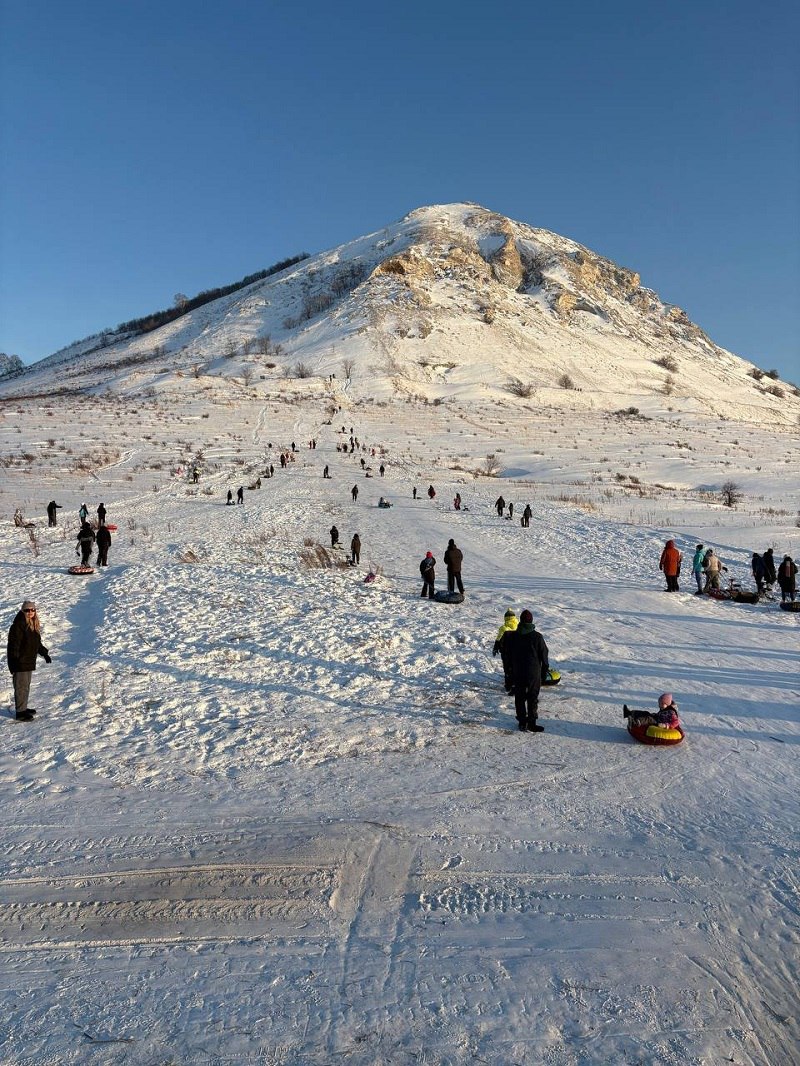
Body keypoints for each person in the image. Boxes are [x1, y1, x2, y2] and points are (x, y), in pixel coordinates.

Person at [503, 610, 548, 732]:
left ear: (521, 621)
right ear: (531, 621)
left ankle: (522, 722)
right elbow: (544, 655)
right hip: (533, 673)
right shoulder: (537, 637)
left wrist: (508, 671)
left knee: (520, 697)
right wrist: (544, 671)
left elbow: (507, 655)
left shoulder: (513, 636)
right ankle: (532, 723)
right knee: (532, 697)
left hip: (518, 672)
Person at [7, 601, 51, 721]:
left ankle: (23, 707)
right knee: (20, 687)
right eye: (27, 610)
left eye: (32, 610)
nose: (30, 612)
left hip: (28, 661)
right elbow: (13, 645)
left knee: (25, 686)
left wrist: (44, 654)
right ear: (22, 611)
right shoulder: (18, 625)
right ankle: (20, 713)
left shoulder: (33, 624)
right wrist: (15, 662)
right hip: (20, 662)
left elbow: (36, 643)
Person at [492, 609, 518, 694]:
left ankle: (508, 686)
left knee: (507, 669)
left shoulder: (503, 628)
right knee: (516, 668)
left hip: (506, 653)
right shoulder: (519, 626)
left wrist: (495, 648)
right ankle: (516, 684)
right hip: (517, 652)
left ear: (505, 618)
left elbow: (498, 639)